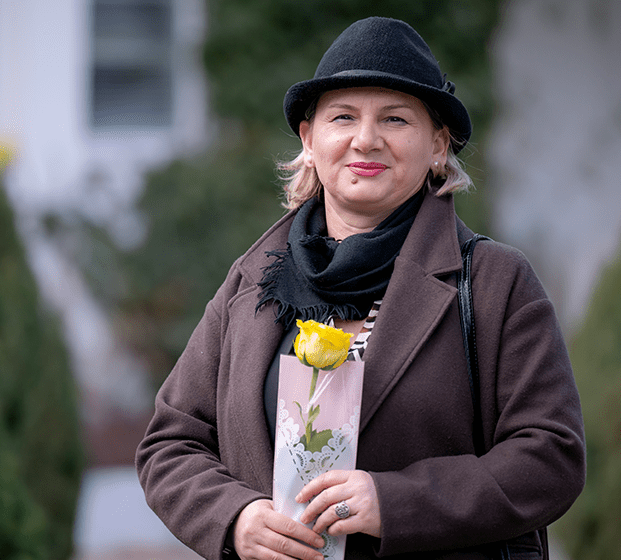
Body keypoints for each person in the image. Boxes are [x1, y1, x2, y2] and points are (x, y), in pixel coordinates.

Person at [136, 16, 585, 560]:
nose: (365, 139)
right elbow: (170, 443)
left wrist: (395, 501)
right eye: (343, 117)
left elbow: (551, 458)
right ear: (309, 139)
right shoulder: (251, 280)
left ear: (438, 146)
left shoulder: (495, 283)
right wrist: (234, 519)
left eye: (395, 119)